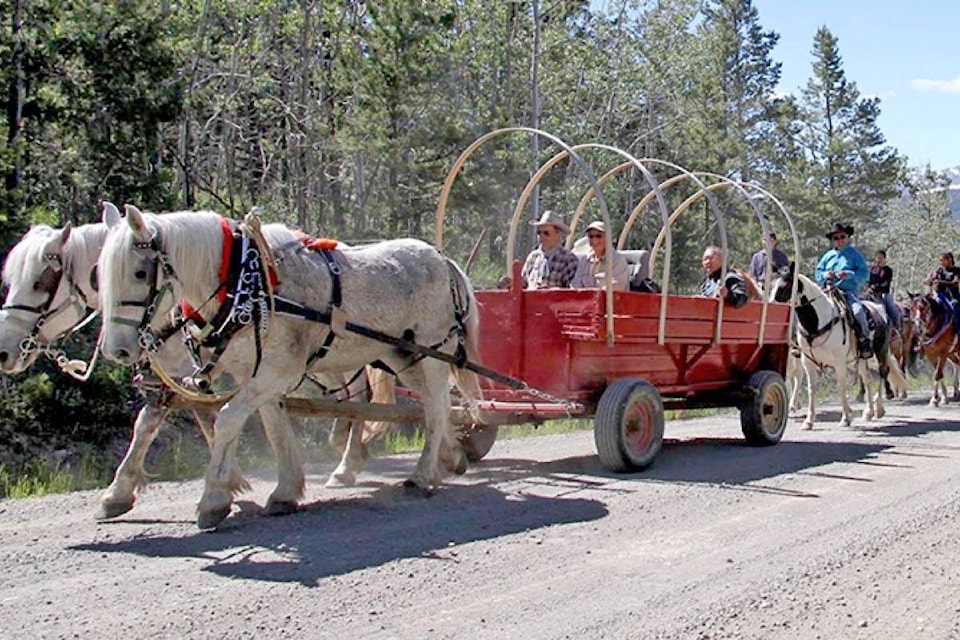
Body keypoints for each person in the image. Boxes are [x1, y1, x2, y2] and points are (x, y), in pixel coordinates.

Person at [814, 222, 872, 357]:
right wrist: (825, 275)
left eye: (842, 237)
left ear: (848, 237)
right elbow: (818, 272)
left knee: (857, 311)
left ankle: (864, 341)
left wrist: (849, 275)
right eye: (836, 238)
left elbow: (864, 273)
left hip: (847, 292)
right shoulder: (828, 255)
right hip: (828, 291)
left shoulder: (854, 254)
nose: (839, 240)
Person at [507, 210, 579, 289]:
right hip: (531, 300)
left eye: (546, 233)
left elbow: (571, 292)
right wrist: (511, 284)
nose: (541, 236)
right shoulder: (533, 257)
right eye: (539, 233)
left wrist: (549, 291)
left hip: (553, 301)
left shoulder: (568, 259)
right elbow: (524, 284)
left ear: (558, 234)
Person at [570, 221, 630, 291]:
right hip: (586, 300)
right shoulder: (584, 260)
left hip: (612, 301)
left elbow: (616, 287)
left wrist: (593, 296)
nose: (594, 240)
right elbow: (575, 284)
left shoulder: (617, 261)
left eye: (599, 236)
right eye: (591, 236)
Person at [866, 249, 901, 329]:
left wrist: (876, 287)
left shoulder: (888, 270)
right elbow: (868, 280)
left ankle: (896, 326)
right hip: (872, 293)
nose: (879, 259)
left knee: (891, 306)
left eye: (881, 258)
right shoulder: (872, 270)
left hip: (883, 293)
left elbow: (886, 282)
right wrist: (869, 287)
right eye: (877, 257)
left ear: (885, 259)